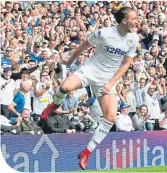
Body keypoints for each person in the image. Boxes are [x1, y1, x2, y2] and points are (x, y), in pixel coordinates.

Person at [41, 7, 139, 170]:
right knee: (65, 87)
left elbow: (127, 63)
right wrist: (68, 62)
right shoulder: (104, 33)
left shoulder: (133, 39)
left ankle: (86, 152)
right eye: (134, 18)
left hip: (108, 78)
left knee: (110, 117)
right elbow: (83, 47)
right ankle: (53, 106)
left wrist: (111, 82)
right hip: (90, 70)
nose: (137, 21)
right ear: (124, 21)